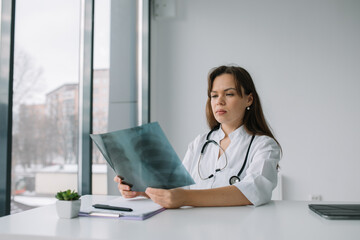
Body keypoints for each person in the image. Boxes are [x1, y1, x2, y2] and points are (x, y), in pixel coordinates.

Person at [114, 65, 281, 208]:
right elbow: (178, 189)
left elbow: (256, 189)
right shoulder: (200, 143)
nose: (219, 101)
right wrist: (142, 190)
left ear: (249, 99)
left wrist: (185, 198)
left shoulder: (264, 145)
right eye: (214, 95)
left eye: (229, 94)